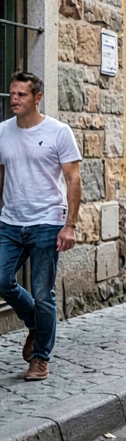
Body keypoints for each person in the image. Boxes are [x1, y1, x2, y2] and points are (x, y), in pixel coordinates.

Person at [0, 71, 82, 382]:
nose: (14, 100)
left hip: (47, 222)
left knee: (43, 292)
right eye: (12, 94)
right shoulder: (3, 132)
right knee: (2, 279)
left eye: (21, 94)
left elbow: (73, 179)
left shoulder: (59, 132)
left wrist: (69, 225)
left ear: (37, 97)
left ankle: (40, 358)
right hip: (10, 221)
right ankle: (35, 321)